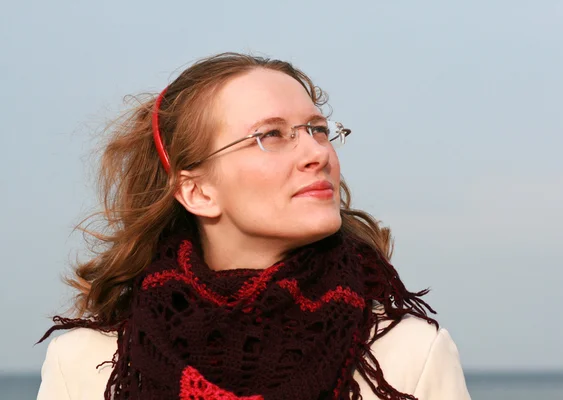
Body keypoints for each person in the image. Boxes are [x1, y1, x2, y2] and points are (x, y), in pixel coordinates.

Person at [37, 52, 471, 400]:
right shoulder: (85, 362)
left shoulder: (409, 353)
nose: (317, 154)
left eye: (317, 130)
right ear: (197, 192)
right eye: (272, 135)